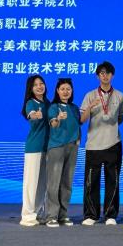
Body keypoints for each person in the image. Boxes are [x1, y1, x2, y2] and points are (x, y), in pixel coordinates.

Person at [80, 62, 123, 226]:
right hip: (93, 144)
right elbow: (82, 119)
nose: (105, 76)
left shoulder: (120, 96)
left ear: (112, 75)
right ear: (97, 76)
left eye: (108, 73)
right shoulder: (90, 95)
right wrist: (89, 108)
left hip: (113, 143)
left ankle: (110, 215)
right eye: (101, 73)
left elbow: (120, 118)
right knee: (91, 181)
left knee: (113, 180)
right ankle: (91, 215)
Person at [44, 78, 79, 227]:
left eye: (68, 89)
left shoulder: (74, 108)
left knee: (67, 183)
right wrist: (58, 118)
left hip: (72, 148)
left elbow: (78, 124)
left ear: (72, 91)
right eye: (63, 89)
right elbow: (53, 123)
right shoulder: (53, 107)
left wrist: (78, 139)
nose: (65, 92)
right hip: (57, 147)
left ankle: (63, 215)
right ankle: (51, 216)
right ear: (57, 91)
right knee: (54, 182)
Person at [20, 75, 50, 227]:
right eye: (35, 85)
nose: (39, 87)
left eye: (41, 83)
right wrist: (34, 115)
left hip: (47, 148)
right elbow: (31, 114)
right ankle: (27, 216)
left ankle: (37, 213)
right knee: (31, 183)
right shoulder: (31, 103)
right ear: (30, 89)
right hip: (34, 148)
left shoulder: (48, 103)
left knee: (42, 184)